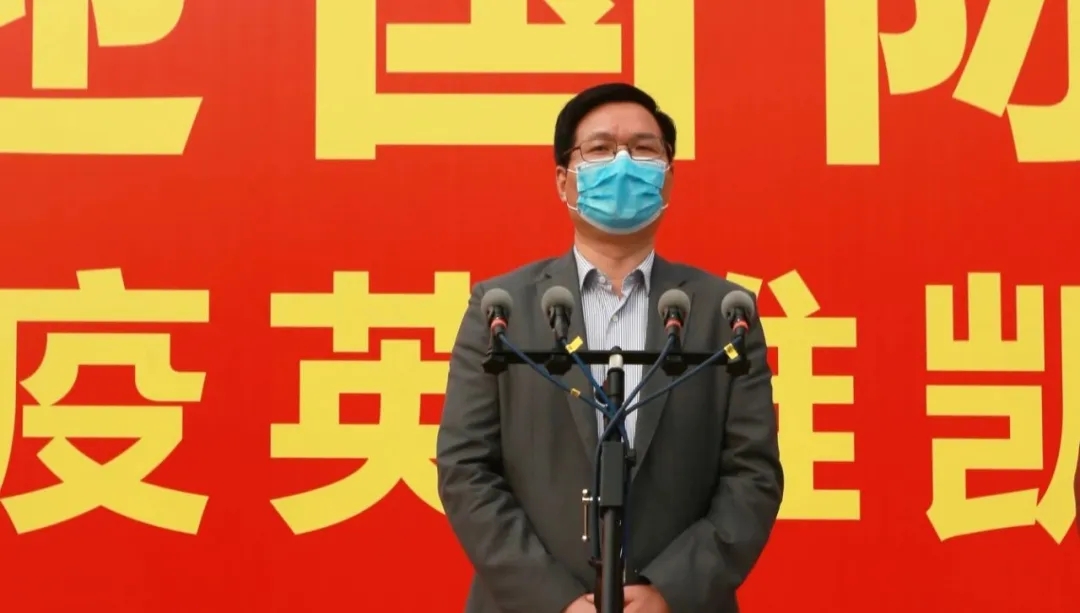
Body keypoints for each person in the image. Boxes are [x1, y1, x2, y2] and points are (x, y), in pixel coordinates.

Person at [437, 82, 783, 613]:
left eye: (643, 149)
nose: (623, 163)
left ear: (668, 176)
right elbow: (465, 468)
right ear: (564, 180)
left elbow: (753, 474)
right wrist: (554, 598)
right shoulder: (501, 309)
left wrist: (671, 590)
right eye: (599, 148)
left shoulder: (723, 314)